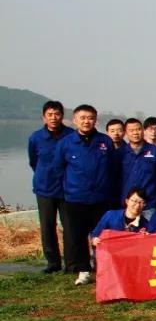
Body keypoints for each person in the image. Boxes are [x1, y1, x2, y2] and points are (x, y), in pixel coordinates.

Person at [57, 104, 114, 285]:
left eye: (90, 118)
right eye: (82, 118)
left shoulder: (105, 141)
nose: (86, 121)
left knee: (102, 235)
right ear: (75, 120)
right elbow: (58, 170)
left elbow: (114, 168)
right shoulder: (66, 143)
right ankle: (83, 270)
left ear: (95, 120)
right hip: (76, 198)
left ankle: (102, 266)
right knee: (78, 236)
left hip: (101, 198)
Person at [28, 100, 74, 273]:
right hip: (44, 188)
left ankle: (71, 263)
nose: (53, 118)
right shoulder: (36, 137)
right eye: (50, 115)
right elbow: (33, 161)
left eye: (57, 114)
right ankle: (53, 263)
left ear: (62, 116)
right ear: (43, 117)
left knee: (70, 227)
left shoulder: (71, 136)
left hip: (67, 189)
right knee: (47, 226)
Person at [118, 118, 156, 217]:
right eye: (131, 130)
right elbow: (115, 178)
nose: (135, 133)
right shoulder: (120, 153)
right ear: (126, 133)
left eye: (138, 129)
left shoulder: (155, 151)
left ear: (143, 130)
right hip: (127, 205)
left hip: (149, 204)